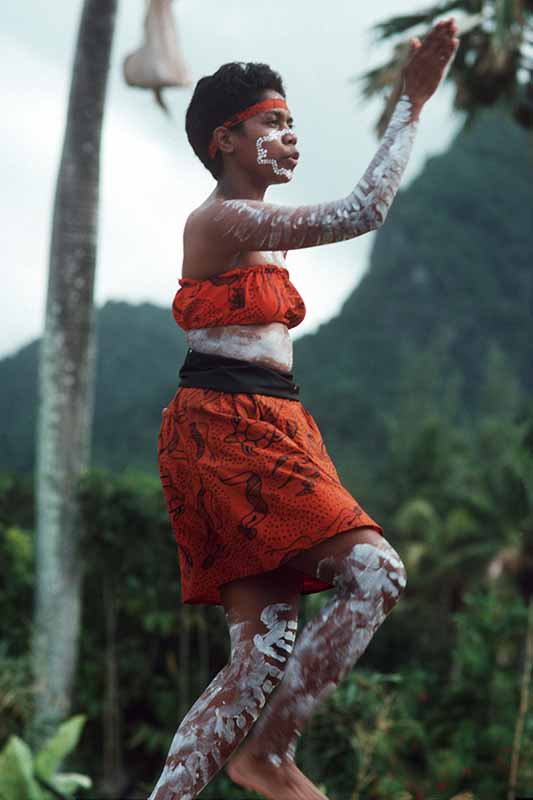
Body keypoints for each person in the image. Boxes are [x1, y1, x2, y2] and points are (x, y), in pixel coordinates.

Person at [149, 17, 460, 800]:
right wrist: (410, 104)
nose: (290, 138)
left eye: (292, 124)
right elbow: (361, 211)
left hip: (267, 421)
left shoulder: (264, 230)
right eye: (273, 123)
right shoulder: (220, 219)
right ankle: (270, 754)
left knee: (258, 655)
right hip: (226, 425)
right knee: (375, 574)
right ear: (225, 138)